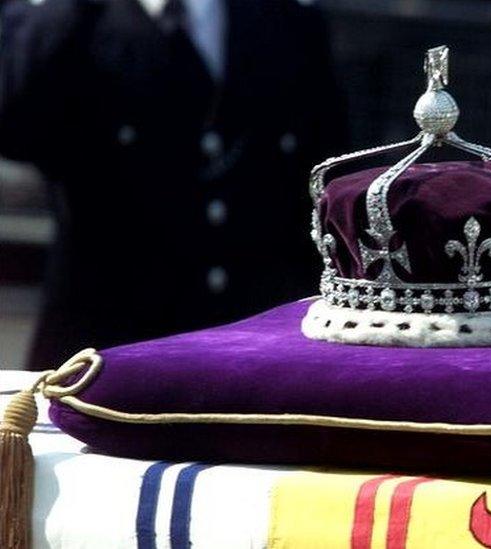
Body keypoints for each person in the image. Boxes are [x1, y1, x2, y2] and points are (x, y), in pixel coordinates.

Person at [0, 0, 346, 370]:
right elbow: (14, 127)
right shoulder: (70, 18)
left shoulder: (290, 22)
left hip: (251, 355)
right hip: (105, 355)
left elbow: (326, 180)